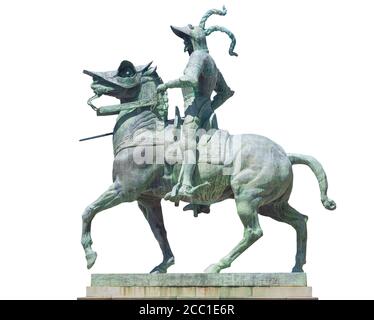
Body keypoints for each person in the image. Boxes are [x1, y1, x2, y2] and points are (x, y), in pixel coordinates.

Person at [157, 6, 237, 202]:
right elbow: (226, 93)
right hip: (204, 110)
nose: (185, 45)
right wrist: (208, 106)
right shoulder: (212, 63)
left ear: (194, 40)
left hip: (195, 112)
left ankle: (186, 184)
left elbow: (190, 80)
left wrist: (165, 86)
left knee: (187, 144)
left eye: (186, 41)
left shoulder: (197, 57)